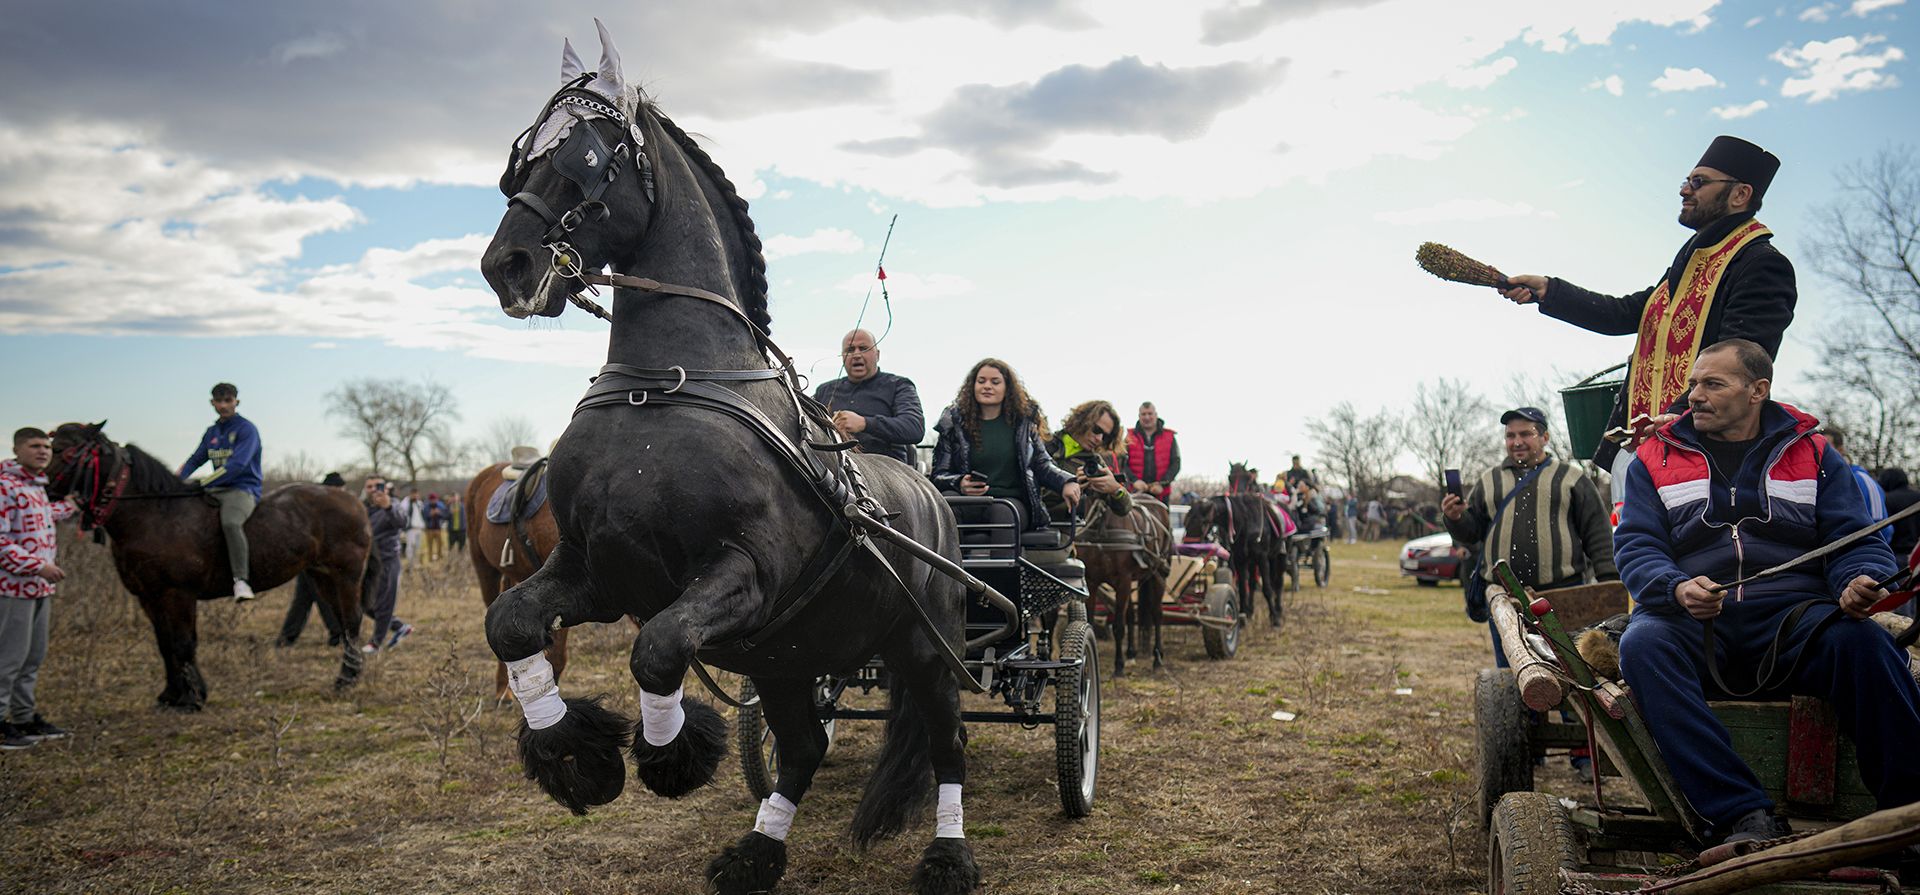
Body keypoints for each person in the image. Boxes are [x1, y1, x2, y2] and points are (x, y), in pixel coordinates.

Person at [1612, 339, 1920, 845]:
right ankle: (1740, 814)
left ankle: (1907, 816)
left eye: (1713, 383)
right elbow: (1637, 545)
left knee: (1866, 644)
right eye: (1694, 383)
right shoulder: (1654, 458)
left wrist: (1855, 581)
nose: (1694, 395)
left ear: (1758, 390)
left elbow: (1853, 539)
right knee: (1642, 646)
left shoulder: (1815, 453)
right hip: (1693, 618)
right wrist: (1676, 586)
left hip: (1794, 615)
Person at [1500, 136, 1795, 473]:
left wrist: (1678, 417)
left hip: (1700, 452)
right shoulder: (1687, 262)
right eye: (1687, 181)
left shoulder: (1761, 264)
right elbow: (1623, 314)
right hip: (1644, 446)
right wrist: (1549, 291)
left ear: (1740, 194)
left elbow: (1742, 362)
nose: (1685, 190)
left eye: (1698, 182)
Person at [1443, 406, 1618, 669]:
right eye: (1510, 436)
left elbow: (1598, 534)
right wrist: (1455, 518)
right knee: (1515, 673)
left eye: (1526, 434)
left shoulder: (1571, 478)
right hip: (1505, 598)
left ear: (1544, 438)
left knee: (1573, 670)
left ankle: (1570, 713)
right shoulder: (1488, 480)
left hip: (1564, 594)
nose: (1517, 442)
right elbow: (1473, 532)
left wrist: (1609, 583)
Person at [930, 358, 1080, 530]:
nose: (987, 386)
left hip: (1010, 503)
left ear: (1007, 388)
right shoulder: (953, 424)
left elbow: (1042, 464)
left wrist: (1067, 481)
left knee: (1004, 513)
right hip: (966, 501)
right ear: (972, 386)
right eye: (981, 381)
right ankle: (952, 558)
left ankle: (1005, 558)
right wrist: (959, 483)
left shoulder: (1024, 425)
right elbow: (939, 475)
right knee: (948, 501)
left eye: (995, 382)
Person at [0, 428, 75, 750]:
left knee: (32, 657)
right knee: (8, 659)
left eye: (47, 447)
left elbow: (43, 516)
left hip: (40, 590)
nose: (43, 451)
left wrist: (71, 505)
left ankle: (24, 717)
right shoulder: (5, 486)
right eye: (35, 446)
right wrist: (36, 566)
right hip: (13, 588)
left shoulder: (36, 487)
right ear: (17, 450)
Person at [177, 382, 263, 602]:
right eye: (219, 401)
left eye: (228, 401)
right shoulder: (211, 432)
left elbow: (237, 465)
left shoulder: (247, 429)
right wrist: (176, 480)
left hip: (242, 489)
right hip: (216, 488)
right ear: (212, 403)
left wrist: (202, 482)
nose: (224, 405)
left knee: (231, 523)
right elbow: (196, 459)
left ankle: (241, 581)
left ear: (237, 402)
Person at [812, 328, 925, 466]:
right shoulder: (824, 391)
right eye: (850, 350)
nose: (856, 354)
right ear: (842, 356)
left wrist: (865, 423)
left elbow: (914, 428)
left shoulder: (899, 386)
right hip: (835, 472)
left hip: (887, 473)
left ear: (877, 355)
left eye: (864, 348)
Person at [275, 472, 349, 648]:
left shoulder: (322, 505)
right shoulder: (319, 507)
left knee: (302, 601)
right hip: (315, 560)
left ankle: (287, 638)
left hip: (313, 561)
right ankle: (336, 633)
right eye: (340, 489)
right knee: (321, 597)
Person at [1044, 400, 1133, 521]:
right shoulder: (1044, 445)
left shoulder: (1094, 463)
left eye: (1105, 436)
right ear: (1083, 420)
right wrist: (1068, 483)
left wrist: (1116, 490)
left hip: (1066, 531)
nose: (1099, 439)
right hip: (1030, 524)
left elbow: (1124, 509)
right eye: (1096, 430)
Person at [361, 476, 413, 654]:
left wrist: (388, 507)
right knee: (364, 603)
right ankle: (399, 626)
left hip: (387, 560)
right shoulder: (361, 508)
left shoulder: (393, 504)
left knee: (384, 603)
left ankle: (376, 643)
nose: (373, 489)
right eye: (369, 486)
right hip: (366, 562)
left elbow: (402, 522)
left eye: (377, 486)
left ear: (385, 488)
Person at [1825, 429, 1891, 546]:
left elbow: (1881, 527)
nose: (1821, 452)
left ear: (1841, 450)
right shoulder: (1821, 481)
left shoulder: (1863, 480)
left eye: (1827, 448)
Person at [1124, 402, 1181, 502]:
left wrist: (1162, 484)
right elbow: (1122, 463)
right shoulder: (1129, 437)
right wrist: (1134, 481)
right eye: (1143, 414)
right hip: (1135, 492)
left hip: (1161, 494)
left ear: (1156, 415)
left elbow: (1176, 463)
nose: (1147, 417)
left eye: (1150, 414)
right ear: (1139, 416)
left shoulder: (1170, 437)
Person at [423, 492, 448, 562]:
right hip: (429, 529)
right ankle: (430, 559)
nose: (434, 501)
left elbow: (445, 516)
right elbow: (424, 517)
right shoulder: (426, 507)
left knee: (440, 545)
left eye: (435, 499)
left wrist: (439, 513)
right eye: (432, 499)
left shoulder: (440, 506)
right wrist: (430, 514)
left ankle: (439, 558)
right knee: (430, 545)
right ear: (429, 500)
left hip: (438, 529)